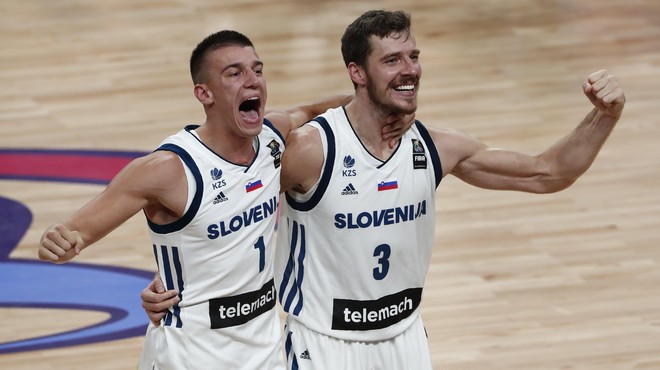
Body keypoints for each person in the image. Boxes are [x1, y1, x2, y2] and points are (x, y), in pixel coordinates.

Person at [143, 10, 625, 370]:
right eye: (392, 59)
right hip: (322, 345)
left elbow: (549, 172)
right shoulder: (311, 150)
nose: (409, 68)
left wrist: (604, 116)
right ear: (357, 72)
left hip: (405, 339)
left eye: (413, 56)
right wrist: (178, 283)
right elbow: (225, 210)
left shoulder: (436, 146)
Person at [37, 29, 410, 370]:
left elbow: (321, 110)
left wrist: (390, 107)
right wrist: (60, 240)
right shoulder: (166, 169)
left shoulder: (273, 137)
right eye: (234, 73)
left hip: (264, 347)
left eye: (257, 70)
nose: (252, 81)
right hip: (189, 354)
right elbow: (73, 234)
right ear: (205, 93)